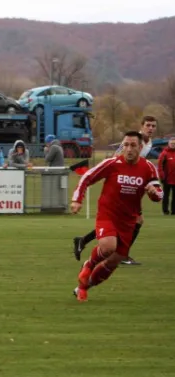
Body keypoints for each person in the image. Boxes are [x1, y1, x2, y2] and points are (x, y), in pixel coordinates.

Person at [70, 131, 162, 302]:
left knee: (112, 263)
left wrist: (154, 193)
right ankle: (89, 264)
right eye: (125, 145)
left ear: (140, 148)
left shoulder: (148, 168)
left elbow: (158, 192)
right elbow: (87, 177)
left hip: (128, 221)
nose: (128, 149)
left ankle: (83, 287)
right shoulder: (112, 163)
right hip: (108, 214)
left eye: (133, 145)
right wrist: (77, 199)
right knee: (108, 246)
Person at [72, 116, 158, 264]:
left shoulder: (148, 143)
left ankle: (84, 241)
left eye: (153, 126)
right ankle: (121, 254)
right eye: (148, 125)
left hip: (134, 186)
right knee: (133, 220)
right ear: (142, 126)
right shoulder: (132, 141)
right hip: (121, 184)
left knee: (135, 221)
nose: (150, 129)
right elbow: (118, 157)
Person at [158, 136, 175, 215]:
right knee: (166, 196)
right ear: (168, 143)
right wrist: (162, 177)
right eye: (171, 143)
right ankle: (165, 211)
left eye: (174, 143)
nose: (173, 145)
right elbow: (160, 166)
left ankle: (174, 211)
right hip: (167, 179)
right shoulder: (164, 153)